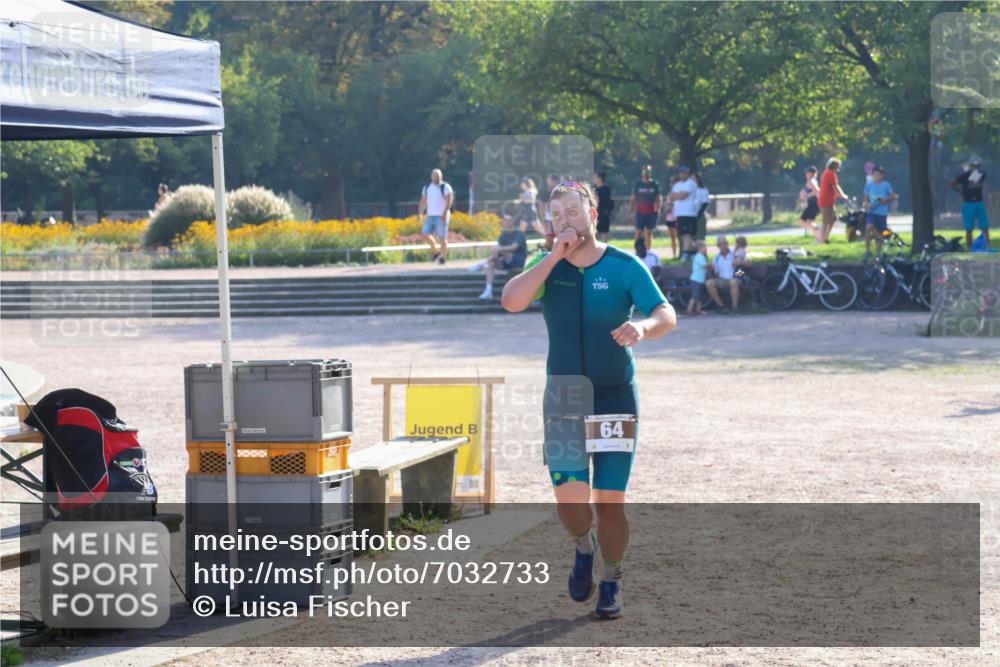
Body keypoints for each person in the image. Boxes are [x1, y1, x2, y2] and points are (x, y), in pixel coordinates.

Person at [500, 180, 676, 620]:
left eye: (573, 213)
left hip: (615, 394)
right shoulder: (546, 268)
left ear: (593, 216)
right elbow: (511, 301)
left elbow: (665, 312)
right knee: (570, 501)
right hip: (564, 397)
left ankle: (612, 578)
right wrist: (552, 256)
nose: (565, 221)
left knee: (609, 501)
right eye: (556, 216)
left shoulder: (623, 265)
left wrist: (644, 328)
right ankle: (584, 548)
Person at [479, 213, 527, 299]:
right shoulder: (503, 234)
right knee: (489, 266)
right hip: (505, 260)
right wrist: (496, 251)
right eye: (505, 220)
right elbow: (498, 247)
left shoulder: (519, 232)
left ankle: (482, 263)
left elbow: (514, 247)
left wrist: (498, 250)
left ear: (513, 221)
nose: (506, 222)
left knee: (499, 251)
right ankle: (488, 290)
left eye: (509, 220)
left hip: (518, 260)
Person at [951, 155, 990, 249]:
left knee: (985, 226)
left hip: (979, 202)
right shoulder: (964, 176)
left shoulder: (982, 174)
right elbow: (952, 183)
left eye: (978, 165)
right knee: (969, 228)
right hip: (968, 203)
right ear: (970, 165)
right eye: (974, 165)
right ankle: (970, 248)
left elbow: (975, 184)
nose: (976, 167)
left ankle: (987, 247)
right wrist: (961, 192)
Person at [418, 168, 454, 264]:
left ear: (441, 176)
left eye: (438, 176)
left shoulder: (445, 187)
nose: (436, 177)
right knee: (425, 234)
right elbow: (423, 201)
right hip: (430, 215)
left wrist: (444, 213)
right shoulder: (427, 187)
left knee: (442, 238)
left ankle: (443, 258)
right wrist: (420, 213)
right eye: (434, 175)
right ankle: (436, 251)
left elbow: (449, 200)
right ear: (431, 176)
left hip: (441, 215)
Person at [862, 165, 898, 258]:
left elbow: (893, 196)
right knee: (868, 227)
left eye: (879, 175)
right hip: (872, 212)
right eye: (875, 175)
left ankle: (878, 253)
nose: (877, 177)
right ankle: (868, 250)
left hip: (882, 213)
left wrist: (884, 200)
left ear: (882, 176)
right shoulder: (869, 185)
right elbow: (865, 199)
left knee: (881, 232)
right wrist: (867, 204)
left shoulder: (886, 185)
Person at [628, 165, 661, 252]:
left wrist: (658, 209)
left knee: (649, 232)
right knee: (638, 231)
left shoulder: (654, 185)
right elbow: (633, 198)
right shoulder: (638, 184)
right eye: (644, 172)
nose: (646, 174)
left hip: (651, 212)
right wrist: (630, 211)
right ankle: (637, 250)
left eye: (648, 172)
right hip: (640, 212)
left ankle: (648, 250)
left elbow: (658, 198)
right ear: (642, 174)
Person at [668, 165, 698, 258]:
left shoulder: (691, 183)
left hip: (689, 213)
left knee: (687, 235)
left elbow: (683, 196)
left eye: (684, 172)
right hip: (680, 213)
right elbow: (671, 197)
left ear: (687, 173)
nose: (682, 174)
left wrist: (678, 195)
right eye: (681, 172)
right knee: (683, 234)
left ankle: (686, 253)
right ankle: (692, 253)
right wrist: (678, 195)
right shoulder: (677, 185)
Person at [705, 235, 740, 314]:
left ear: (727, 244)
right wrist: (711, 268)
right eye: (721, 244)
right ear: (718, 246)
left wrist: (738, 264)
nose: (723, 246)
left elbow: (743, 271)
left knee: (733, 282)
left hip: (735, 278)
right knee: (709, 283)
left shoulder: (734, 254)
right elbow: (716, 272)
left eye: (725, 243)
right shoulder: (716, 258)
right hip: (721, 279)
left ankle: (734, 307)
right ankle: (721, 306)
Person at [817, 158, 848, 243]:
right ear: (834, 166)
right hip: (825, 201)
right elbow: (835, 186)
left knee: (833, 218)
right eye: (838, 166)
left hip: (830, 201)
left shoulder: (828, 173)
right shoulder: (830, 173)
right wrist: (843, 195)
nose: (839, 168)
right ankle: (821, 239)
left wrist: (840, 195)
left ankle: (826, 237)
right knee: (826, 221)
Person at [798, 166, 821, 240]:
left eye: (808, 172)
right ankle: (819, 239)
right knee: (811, 222)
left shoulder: (811, 181)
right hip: (814, 204)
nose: (806, 174)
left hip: (813, 204)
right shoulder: (813, 180)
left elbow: (817, 190)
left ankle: (817, 229)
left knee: (802, 221)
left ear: (811, 173)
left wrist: (806, 196)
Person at [687, 240, 709, 316]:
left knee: (700, 296)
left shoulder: (701, 256)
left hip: (700, 280)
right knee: (695, 295)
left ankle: (698, 310)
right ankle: (689, 310)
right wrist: (711, 264)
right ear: (700, 248)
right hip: (696, 280)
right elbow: (704, 265)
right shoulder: (699, 256)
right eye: (705, 248)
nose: (706, 249)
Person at [593, 172, 615, 243]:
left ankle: (603, 252)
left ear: (599, 179)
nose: (594, 179)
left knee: (604, 238)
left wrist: (606, 211)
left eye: (596, 178)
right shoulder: (594, 189)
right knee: (594, 236)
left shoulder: (605, 189)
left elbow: (608, 203)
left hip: (603, 216)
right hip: (595, 216)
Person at [662, 176, 679, 259]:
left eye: (674, 182)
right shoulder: (669, 194)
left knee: (678, 237)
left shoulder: (679, 193)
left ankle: (680, 253)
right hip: (669, 218)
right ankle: (674, 254)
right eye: (671, 182)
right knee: (672, 238)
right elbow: (667, 205)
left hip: (677, 217)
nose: (672, 184)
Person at [692, 171, 710, 242]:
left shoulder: (703, 190)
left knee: (700, 238)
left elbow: (704, 204)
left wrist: (698, 216)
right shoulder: (689, 191)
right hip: (690, 216)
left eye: (694, 179)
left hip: (699, 216)